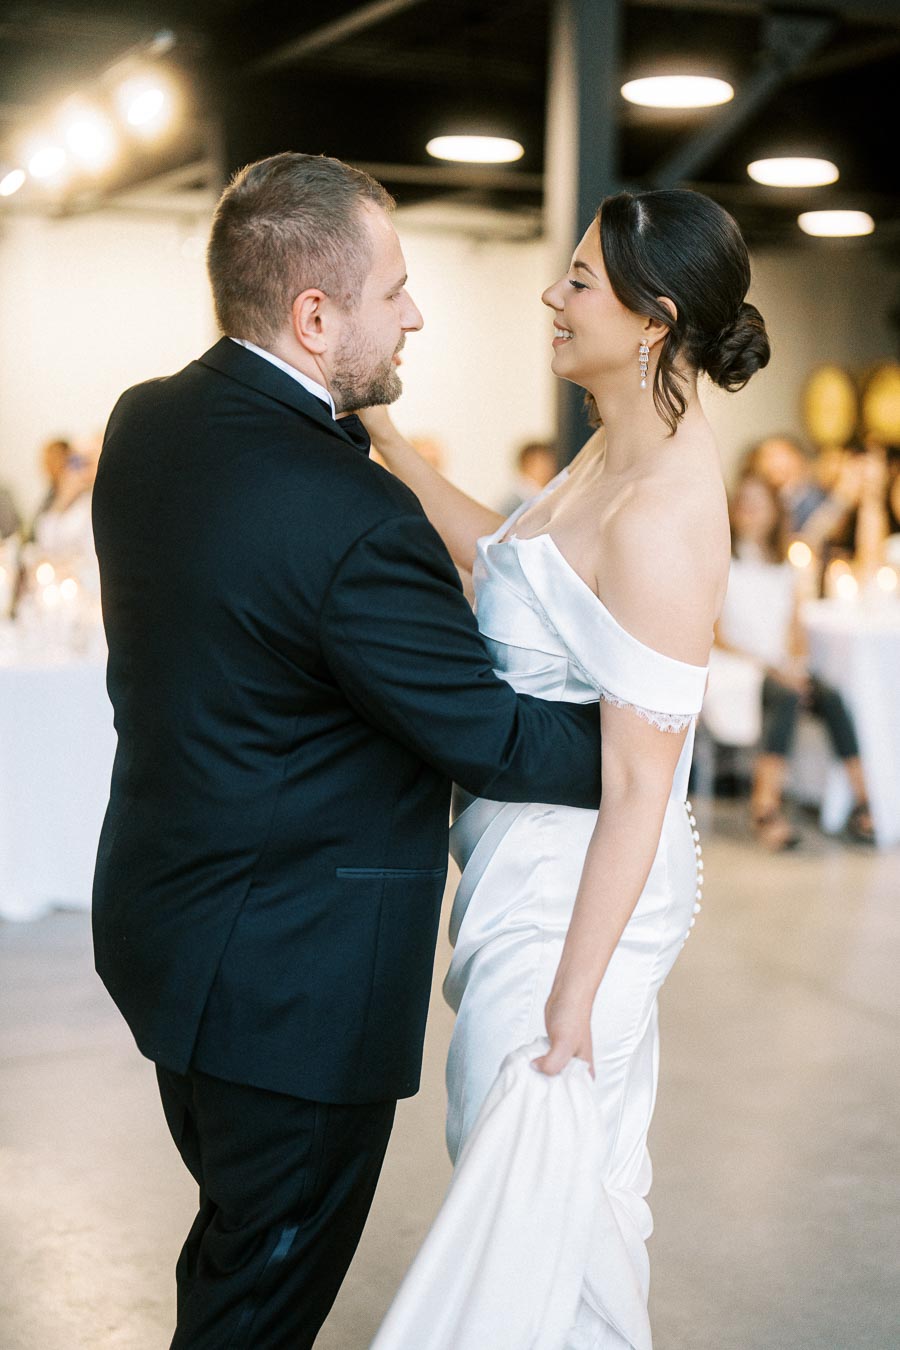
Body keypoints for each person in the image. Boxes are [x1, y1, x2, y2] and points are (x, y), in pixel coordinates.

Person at [91, 152, 605, 1350]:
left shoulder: (148, 418)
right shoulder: (355, 517)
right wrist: (647, 739)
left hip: (169, 934)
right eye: (396, 289)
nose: (416, 312)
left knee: (233, 1242)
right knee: (256, 1304)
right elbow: (494, 737)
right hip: (289, 992)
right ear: (315, 316)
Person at [362, 188, 769, 1349]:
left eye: (579, 278)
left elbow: (644, 782)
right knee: (553, 1188)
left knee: (539, 1180)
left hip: (577, 891)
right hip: (529, 859)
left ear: (654, 317)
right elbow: (511, 563)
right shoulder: (610, 451)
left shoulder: (661, 511)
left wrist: (575, 995)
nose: (553, 294)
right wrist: (388, 443)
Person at [712, 472, 874, 849]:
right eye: (743, 503)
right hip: (735, 666)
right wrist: (772, 668)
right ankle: (764, 807)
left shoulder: (786, 568)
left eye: (758, 503)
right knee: (783, 696)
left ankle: (863, 800)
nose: (749, 511)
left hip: (778, 665)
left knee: (830, 695)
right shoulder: (724, 563)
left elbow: (795, 633)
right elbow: (718, 635)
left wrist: (796, 666)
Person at [498, 438, 559, 516]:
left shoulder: (544, 494)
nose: (548, 469)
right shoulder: (512, 504)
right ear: (526, 465)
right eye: (541, 465)